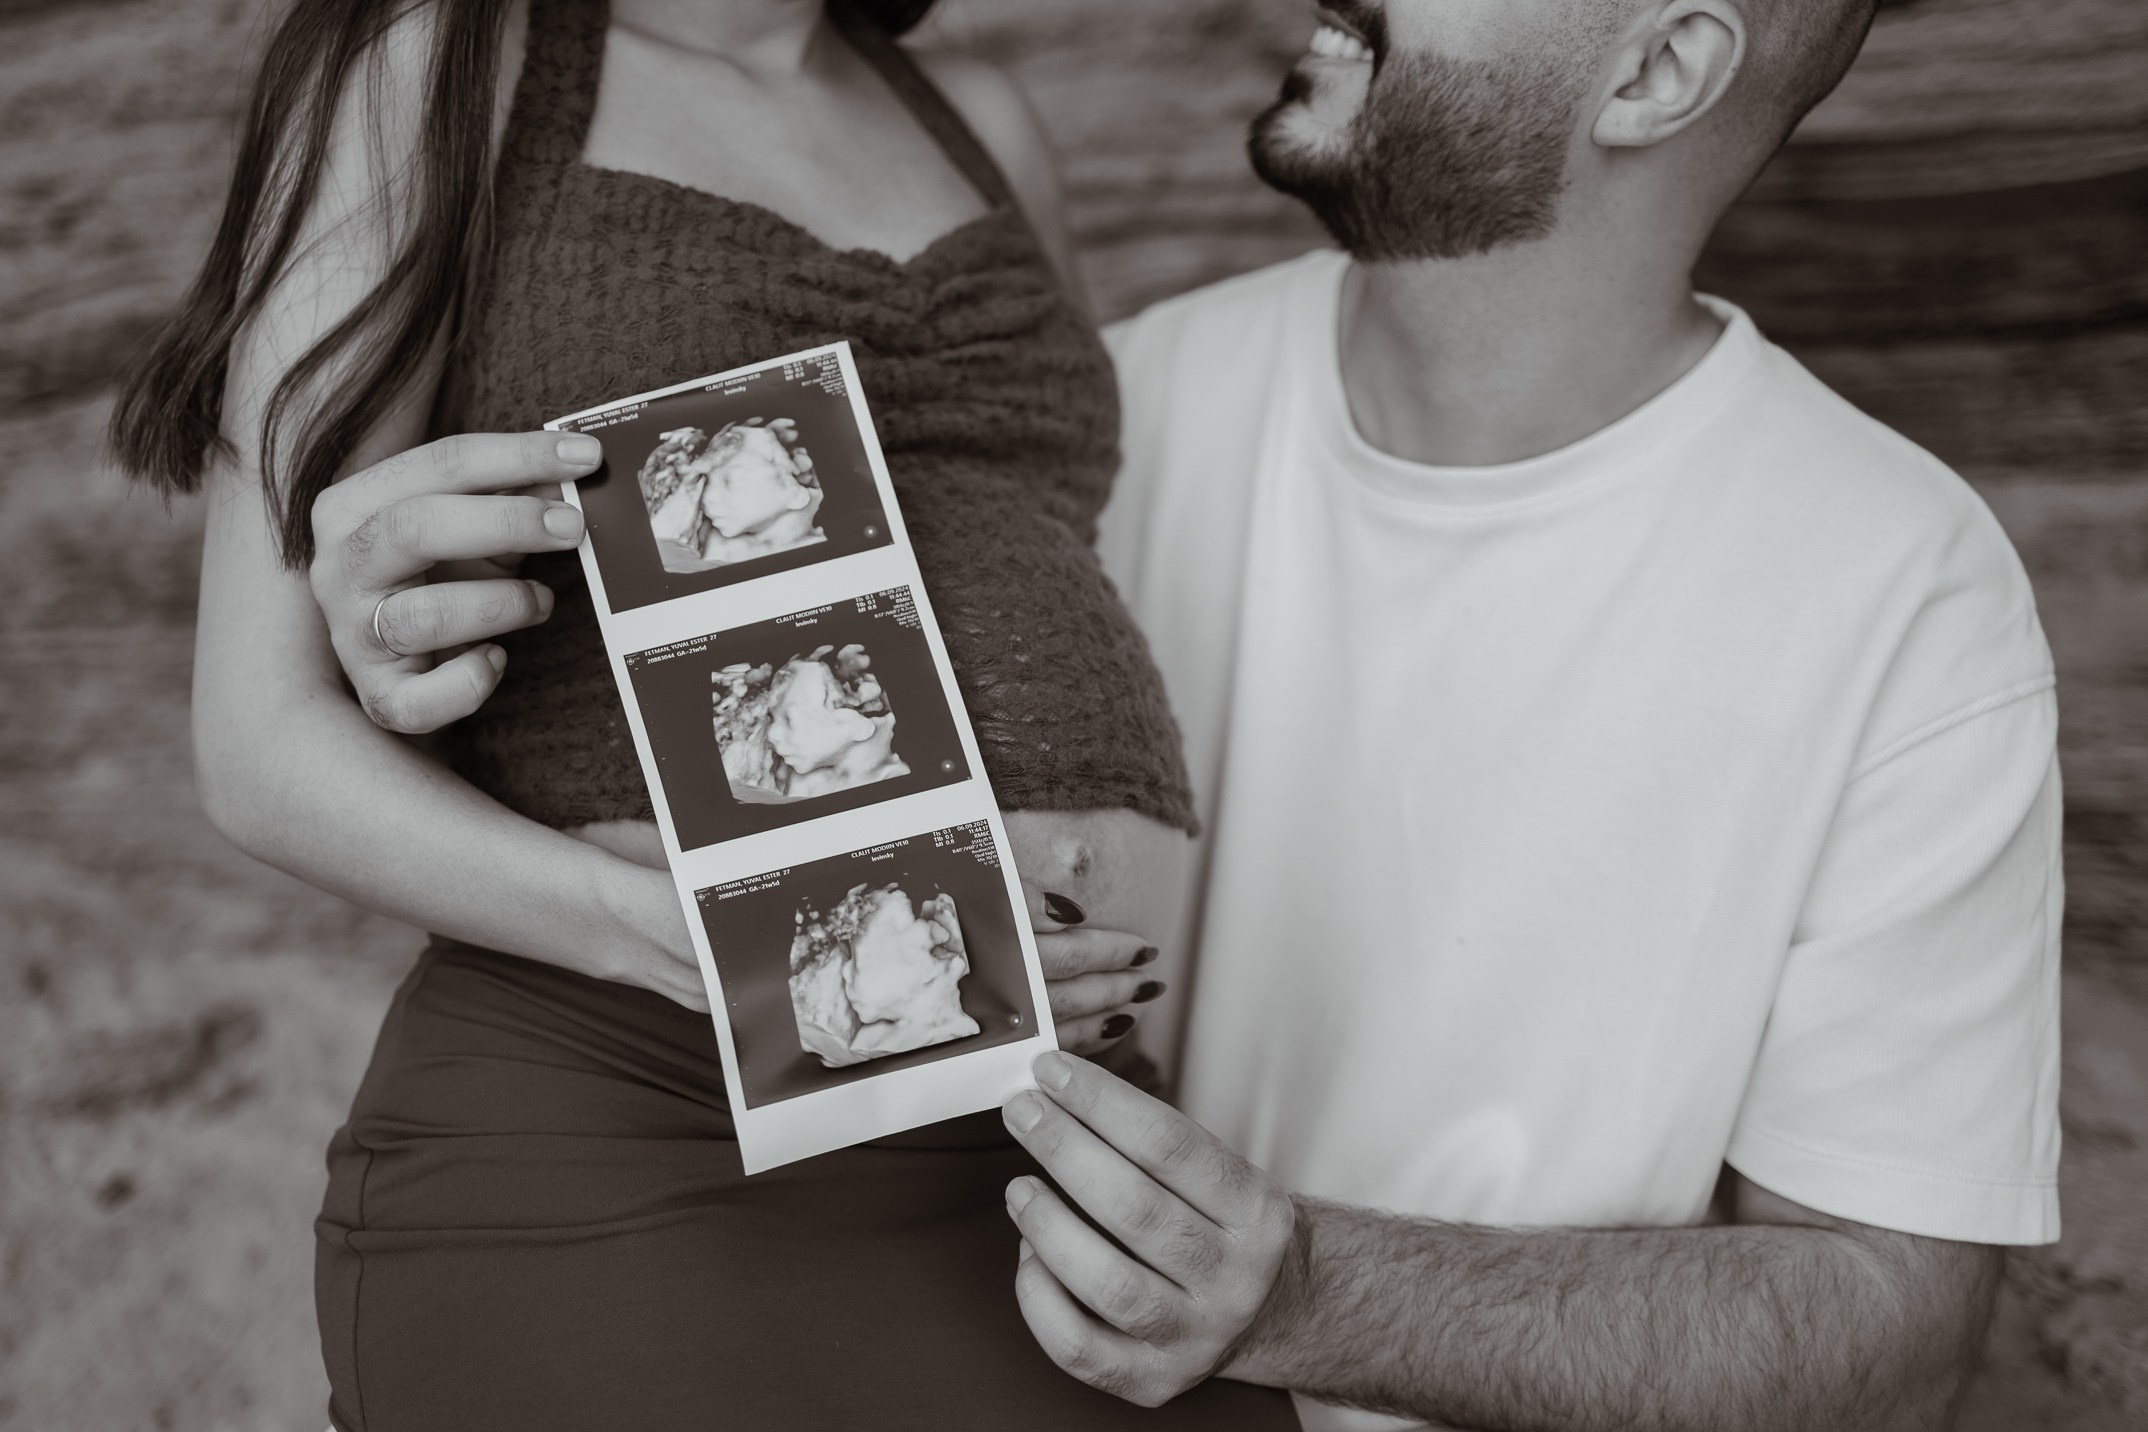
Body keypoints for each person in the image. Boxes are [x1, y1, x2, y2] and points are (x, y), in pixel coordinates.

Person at [110, 0, 1295, 1428]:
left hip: (1062, 1140)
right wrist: (701, 948)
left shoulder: (976, 115)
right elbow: (259, 750)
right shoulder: (446, 71)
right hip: (646, 1108)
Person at [996, 2, 2063, 1430]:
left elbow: (1894, 1332)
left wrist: (1309, 1296)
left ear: (1654, 72)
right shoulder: (1108, 420)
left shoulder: (1911, 601)